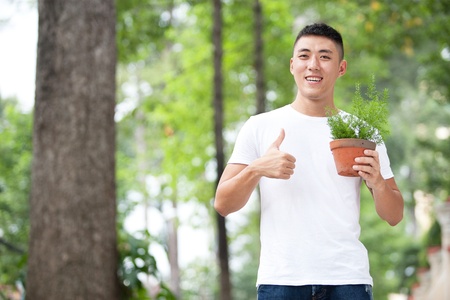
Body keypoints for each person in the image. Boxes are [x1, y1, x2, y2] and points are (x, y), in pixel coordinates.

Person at [214, 23, 404, 300]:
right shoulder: (259, 127)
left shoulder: (362, 133)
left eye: (325, 56)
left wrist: (378, 183)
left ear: (341, 68)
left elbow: (394, 215)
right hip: (281, 281)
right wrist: (257, 169)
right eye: (304, 56)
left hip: (348, 280)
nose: (313, 64)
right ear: (292, 65)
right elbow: (223, 203)